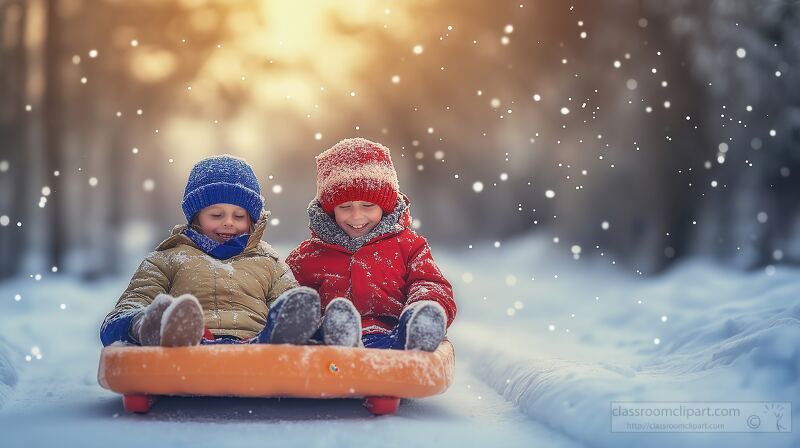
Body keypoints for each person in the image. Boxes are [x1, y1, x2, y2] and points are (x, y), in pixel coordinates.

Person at [100, 155, 321, 347]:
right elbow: (127, 308)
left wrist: (296, 319)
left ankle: (305, 335)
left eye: (239, 216)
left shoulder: (270, 264)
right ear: (196, 217)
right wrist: (140, 322)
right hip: (186, 343)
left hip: (257, 344)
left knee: (292, 315)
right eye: (216, 215)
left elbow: (288, 302)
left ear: (252, 220)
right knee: (169, 324)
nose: (228, 223)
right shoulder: (168, 258)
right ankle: (164, 329)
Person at [287, 138, 457, 351]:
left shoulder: (408, 247)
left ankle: (419, 330)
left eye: (368, 205)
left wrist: (423, 305)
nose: (357, 216)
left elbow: (430, 283)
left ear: (384, 206)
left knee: (411, 324)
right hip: (325, 344)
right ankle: (340, 334)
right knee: (328, 321)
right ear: (330, 210)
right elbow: (286, 296)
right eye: (345, 206)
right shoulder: (307, 257)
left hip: (391, 338)